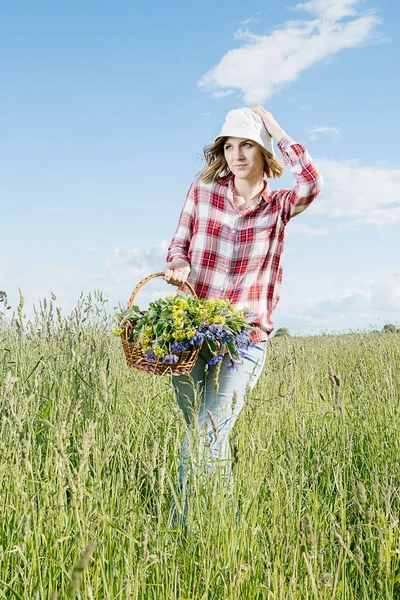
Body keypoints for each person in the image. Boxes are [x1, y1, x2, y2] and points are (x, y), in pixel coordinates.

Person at [163, 106, 323, 490]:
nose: (236, 154)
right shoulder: (202, 191)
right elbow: (178, 243)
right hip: (192, 337)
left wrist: (276, 128)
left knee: (208, 435)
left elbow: (311, 183)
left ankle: (193, 526)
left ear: (264, 153)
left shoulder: (278, 205)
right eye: (229, 146)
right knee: (200, 433)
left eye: (247, 145)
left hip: (243, 338)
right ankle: (208, 528)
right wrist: (178, 263)